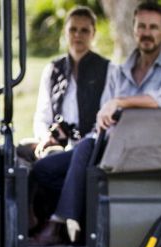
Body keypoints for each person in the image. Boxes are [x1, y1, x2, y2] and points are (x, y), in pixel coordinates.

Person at [29, 1, 161, 246]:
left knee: (84, 148)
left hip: (149, 145)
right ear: (134, 29)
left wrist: (120, 103)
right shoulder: (124, 69)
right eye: (142, 26)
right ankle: (68, 231)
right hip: (114, 143)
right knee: (44, 169)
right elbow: (104, 113)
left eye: (154, 27)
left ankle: (58, 224)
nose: (147, 33)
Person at [24, 6, 109, 161]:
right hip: (56, 143)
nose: (78, 35)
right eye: (73, 30)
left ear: (93, 34)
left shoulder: (107, 69)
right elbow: (42, 116)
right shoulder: (53, 69)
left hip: (89, 145)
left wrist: (85, 141)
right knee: (20, 151)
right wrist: (46, 138)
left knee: (45, 167)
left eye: (84, 30)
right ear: (65, 32)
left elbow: (106, 120)